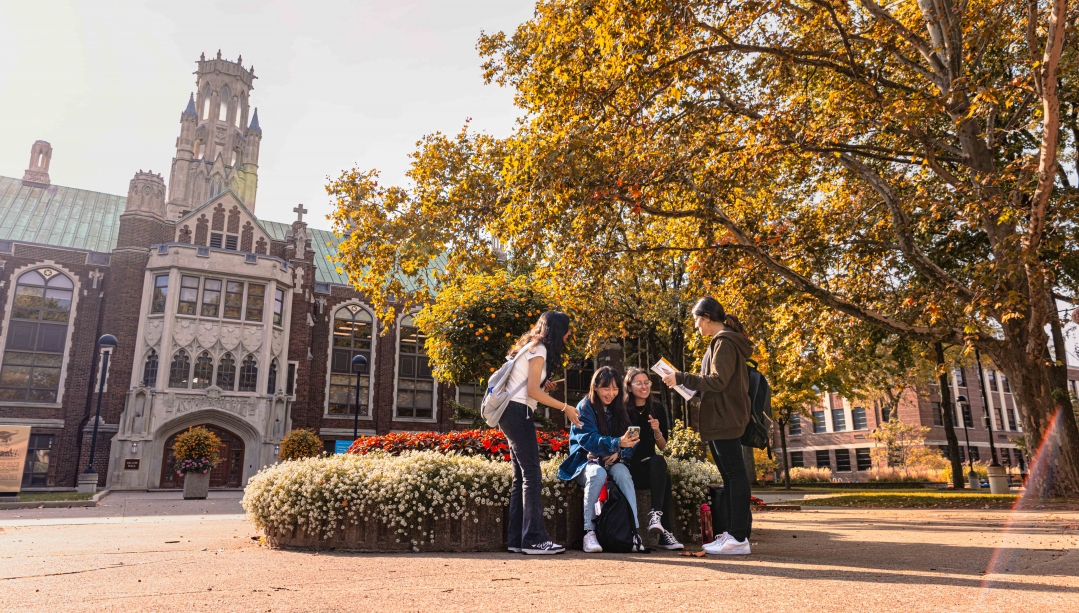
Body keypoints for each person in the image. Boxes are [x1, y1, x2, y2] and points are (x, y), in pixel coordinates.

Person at [661, 297, 754, 555]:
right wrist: (688, 387)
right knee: (731, 476)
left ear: (706, 318)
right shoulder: (723, 342)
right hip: (723, 417)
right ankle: (737, 534)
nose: (696, 327)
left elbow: (718, 380)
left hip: (725, 419)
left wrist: (681, 377)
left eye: (696, 321)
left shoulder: (723, 342)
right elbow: (718, 384)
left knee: (734, 476)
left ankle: (738, 538)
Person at [502, 311, 583, 555]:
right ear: (559, 331)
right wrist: (565, 407)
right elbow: (532, 393)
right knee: (532, 475)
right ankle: (534, 539)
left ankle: (517, 540)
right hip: (518, 412)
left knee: (521, 476)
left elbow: (531, 385)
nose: (569, 334)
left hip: (509, 411)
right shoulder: (540, 350)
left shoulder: (531, 345)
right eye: (567, 329)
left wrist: (541, 384)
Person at [557, 366, 642, 553]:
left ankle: (634, 532)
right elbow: (587, 439)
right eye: (606, 388)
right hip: (584, 463)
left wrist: (620, 451)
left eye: (615, 388)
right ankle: (589, 532)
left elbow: (630, 444)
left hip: (613, 461)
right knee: (597, 473)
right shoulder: (584, 407)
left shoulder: (620, 409)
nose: (611, 393)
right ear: (595, 387)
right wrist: (616, 443)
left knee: (623, 473)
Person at [624, 368, 683, 550]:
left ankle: (655, 517)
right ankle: (666, 533)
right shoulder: (622, 409)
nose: (644, 386)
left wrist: (657, 431)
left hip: (648, 465)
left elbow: (664, 447)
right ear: (629, 387)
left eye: (646, 382)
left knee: (659, 462)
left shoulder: (656, 408)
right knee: (664, 476)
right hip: (627, 465)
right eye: (639, 383)